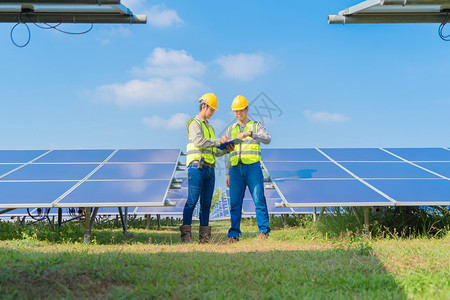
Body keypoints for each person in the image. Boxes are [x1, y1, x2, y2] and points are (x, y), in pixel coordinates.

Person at [180, 93, 233, 243]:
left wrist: (225, 149)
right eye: (212, 109)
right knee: (192, 200)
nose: (213, 113)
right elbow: (199, 141)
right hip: (197, 167)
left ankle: (204, 238)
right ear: (204, 106)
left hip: (210, 169)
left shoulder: (210, 127)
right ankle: (186, 237)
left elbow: (213, 150)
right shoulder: (194, 123)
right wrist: (218, 141)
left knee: (206, 204)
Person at [224, 95, 272, 243]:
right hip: (235, 170)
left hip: (253, 168)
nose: (238, 113)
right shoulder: (231, 128)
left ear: (247, 109)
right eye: (236, 111)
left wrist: (250, 134)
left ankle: (263, 232)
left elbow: (268, 139)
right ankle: (234, 235)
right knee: (235, 203)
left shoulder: (256, 125)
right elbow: (228, 151)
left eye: (241, 110)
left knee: (259, 199)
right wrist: (227, 172)